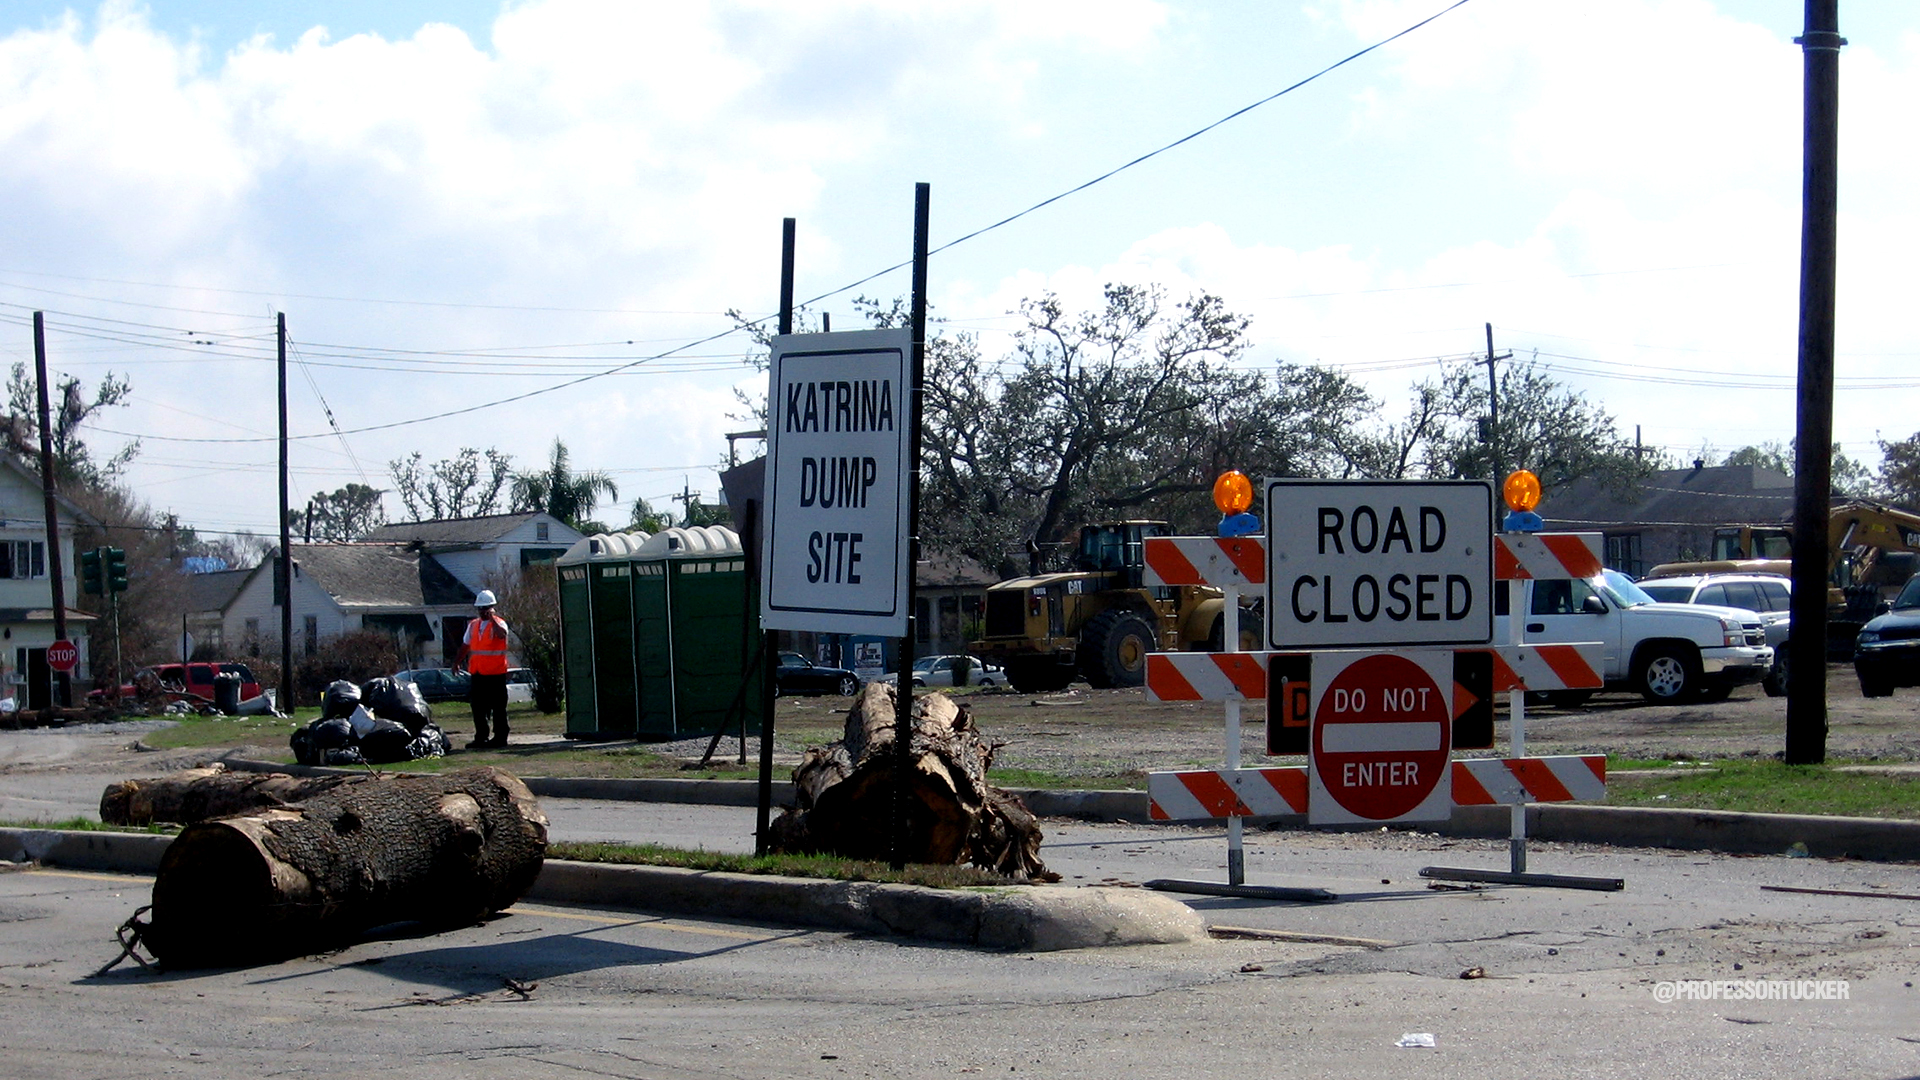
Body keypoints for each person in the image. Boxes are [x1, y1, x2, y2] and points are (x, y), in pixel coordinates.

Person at [454, 590, 511, 749]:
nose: (482, 611)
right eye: (480, 608)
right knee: (478, 708)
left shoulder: (499, 623)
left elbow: (502, 635)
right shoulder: (473, 625)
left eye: (485, 608)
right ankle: (481, 737)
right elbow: (465, 645)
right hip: (478, 673)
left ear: (492, 608)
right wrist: (456, 662)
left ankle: (500, 738)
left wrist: (492, 618)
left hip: (496, 674)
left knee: (498, 708)